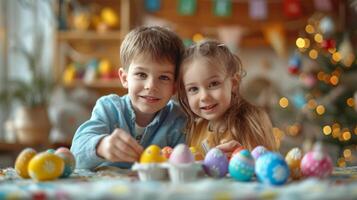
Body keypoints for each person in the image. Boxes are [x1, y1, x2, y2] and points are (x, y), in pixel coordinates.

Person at [71, 26, 186, 169]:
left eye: (164, 77)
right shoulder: (109, 108)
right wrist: (102, 146)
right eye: (141, 75)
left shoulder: (177, 119)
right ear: (125, 78)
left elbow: (184, 164)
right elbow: (76, 154)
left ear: (175, 87)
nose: (150, 86)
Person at [177, 39, 277, 157]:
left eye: (214, 84)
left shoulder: (252, 122)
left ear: (233, 83)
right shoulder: (195, 128)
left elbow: (267, 166)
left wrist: (240, 156)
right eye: (193, 89)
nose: (204, 96)